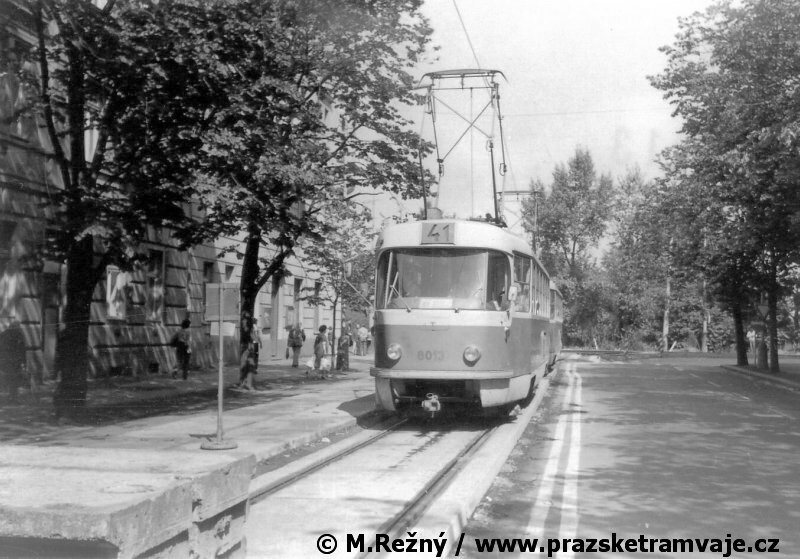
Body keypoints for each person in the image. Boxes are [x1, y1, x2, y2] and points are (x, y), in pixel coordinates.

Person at [0, 318, 26, 403]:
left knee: (11, 380)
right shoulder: (18, 335)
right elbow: (22, 349)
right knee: (13, 380)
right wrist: (24, 362)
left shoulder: (4, 334)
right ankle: (13, 398)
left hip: (9, 362)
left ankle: (12, 397)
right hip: (12, 361)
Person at [237, 312, 258, 390]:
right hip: (247, 348)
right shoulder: (248, 327)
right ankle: (245, 383)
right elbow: (253, 337)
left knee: (245, 366)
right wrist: (256, 340)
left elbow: (253, 337)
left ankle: (244, 383)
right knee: (246, 366)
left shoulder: (246, 326)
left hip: (246, 347)